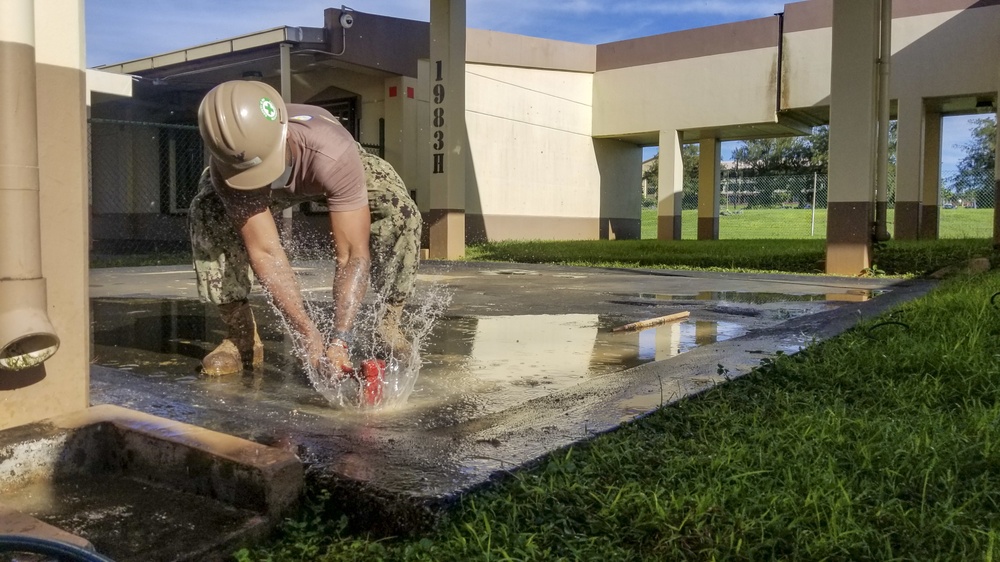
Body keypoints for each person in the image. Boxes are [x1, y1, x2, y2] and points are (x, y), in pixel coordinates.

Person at [189, 80, 421, 379]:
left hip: (322, 161)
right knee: (207, 210)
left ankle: (388, 323)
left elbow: (352, 254)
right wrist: (307, 335)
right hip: (249, 172)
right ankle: (240, 334)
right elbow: (266, 251)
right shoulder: (229, 167)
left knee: (399, 210)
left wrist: (340, 339)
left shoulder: (333, 152)